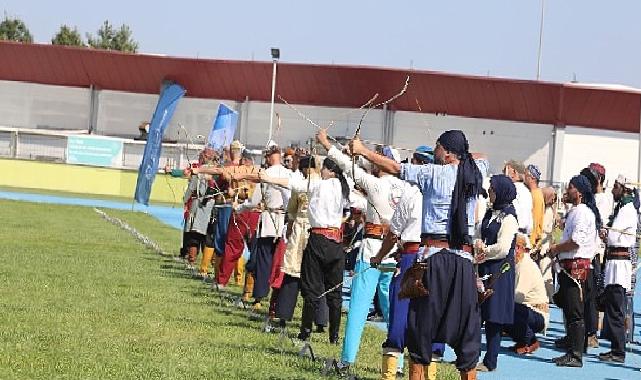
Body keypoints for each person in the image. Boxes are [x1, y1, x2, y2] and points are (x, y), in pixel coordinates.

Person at [349, 130, 488, 380]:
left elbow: (393, 166)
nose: (434, 153)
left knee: (421, 328)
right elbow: (480, 156)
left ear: (446, 152)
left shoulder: (432, 172)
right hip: (464, 262)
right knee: (467, 330)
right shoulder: (476, 172)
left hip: (435, 258)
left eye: (437, 148)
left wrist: (362, 151)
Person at [316, 131, 406, 370]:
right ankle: (397, 365)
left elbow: (346, 167)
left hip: (372, 253)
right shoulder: (407, 188)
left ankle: (347, 361)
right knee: (393, 312)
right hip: (396, 253)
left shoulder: (376, 185)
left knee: (357, 307)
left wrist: (327, 144)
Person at [251, 153, 351, 344]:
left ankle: (305, 331)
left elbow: (292, 185)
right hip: (335, 241)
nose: (320, 171)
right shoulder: (343, 187)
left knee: (311, 287)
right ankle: (334, 335)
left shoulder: (318, 185)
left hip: (316, 238)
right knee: (334, 291)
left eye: (323, 168)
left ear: (329, 171)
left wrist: (268, 178)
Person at [548, 174, 601, 367]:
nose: (566, 191)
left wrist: (556, 249)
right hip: (570, 267)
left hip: (576, 270)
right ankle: (573, 349)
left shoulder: (581, 213)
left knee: (575, 313)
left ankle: (576, 355)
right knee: (571, 311)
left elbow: (575, 241)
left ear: (578, 192)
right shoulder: (576, 212)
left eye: (570, 187)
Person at [274, 155, 328, 331]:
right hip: (318, 231)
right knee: (317, 277)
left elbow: (292, 211)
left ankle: (283, 315)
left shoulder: (304, 185)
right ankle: (320, 320)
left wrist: (289, 229)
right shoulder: (325, 185)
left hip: (302, 230)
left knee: (293, 274)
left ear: (306, 169)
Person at [474, 175, 518, 372]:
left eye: (492, 189)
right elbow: (478, 232)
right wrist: (477, 243)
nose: (489, 191)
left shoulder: (509, 218)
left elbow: (503, 247)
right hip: (483, 267)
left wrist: (484, 250)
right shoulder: (490, 213)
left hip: (499, 271)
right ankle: (469, 357)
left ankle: (490, 361)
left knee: (494, 318)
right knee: (476, 316)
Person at [599, 175, 639, 363]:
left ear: (624, 189)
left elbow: (615, 238)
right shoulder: (623, 208)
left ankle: (618, 351)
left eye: (616, 186)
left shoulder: (627, 210)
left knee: (616, 308)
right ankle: (615, 347)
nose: (613, 190)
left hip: (619, 264)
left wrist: (606, 234)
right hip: (614, 263)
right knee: (613, 306)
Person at [506, 234, 549, 355]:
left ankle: (530, 340)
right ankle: (522, 340)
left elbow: (519, 296)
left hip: (537, 313)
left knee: (506, 309)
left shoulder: (525, 266)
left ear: (518, 248)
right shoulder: (517, 264)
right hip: (528, 310)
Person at [537, 187, 558, 302]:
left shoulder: (549, 211)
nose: (553, 201)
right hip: (541, 242)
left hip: (545, 243)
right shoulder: (542, 208)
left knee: (545, 270)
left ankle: (551, 297)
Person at [504, 160, 533, 237]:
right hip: (524, 235)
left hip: (512, 235)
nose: (503, 175)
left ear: (514, 172)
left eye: (505, 172)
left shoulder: (511, 190)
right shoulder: (527, 192)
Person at [525, 164, 545, 248]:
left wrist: (532, 241)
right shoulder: (534, 193)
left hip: (531, 241)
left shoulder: (535, 195)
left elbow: (535, 219)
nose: (524, 177)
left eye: (526, 175)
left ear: (532, 178)